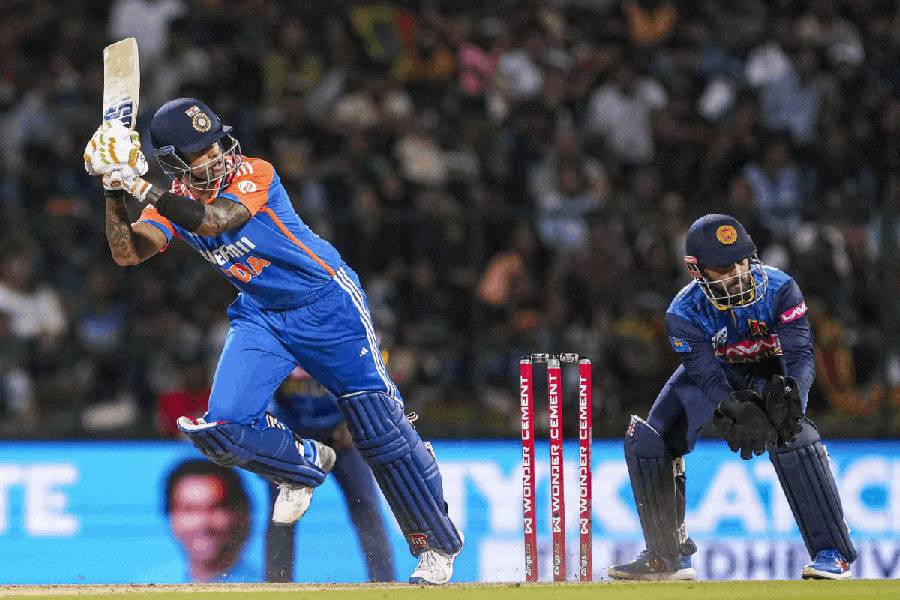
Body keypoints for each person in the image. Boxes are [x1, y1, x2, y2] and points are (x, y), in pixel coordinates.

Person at [82, 99, 464, 585]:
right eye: (200, 149)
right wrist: (113, 190)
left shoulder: (254, 172)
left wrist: (139, 184)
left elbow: (215, 220)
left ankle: (436, 547)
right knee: (220, 428)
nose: (216, 153)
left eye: (215, 141)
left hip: (326, 303)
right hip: (261, 315)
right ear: (175, 161)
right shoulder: (171, 199)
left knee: (378, 429)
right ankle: (301, 466)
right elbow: (127, 252)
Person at [609, 213, 856, 581]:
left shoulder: (781, 288)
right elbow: (707, 377)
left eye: (741, 262)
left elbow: (802, 356)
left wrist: (793, 394)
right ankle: (666, 557)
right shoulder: (682, 314)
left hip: (774, 369)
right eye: (724, 268)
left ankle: (832, 554)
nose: (738, 274)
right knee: (648, 440)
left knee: (793, 431)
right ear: (697, 271)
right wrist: (731, 405)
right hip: (721, 373)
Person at [264, 365, 395, 582]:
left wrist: (356, 422)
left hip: (341, 433)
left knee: (366, 506)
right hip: (291, 436)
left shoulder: (345, 341)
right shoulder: (276, 344)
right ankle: (276, 585)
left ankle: (384, 581)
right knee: (282, 514)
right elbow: (260, 384)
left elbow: (367, 376)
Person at [162, 459, 261, 583]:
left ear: (243, 515)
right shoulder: (151, 586)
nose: (203, 524)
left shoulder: (269, 586)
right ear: (171, 517)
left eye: (216, 508)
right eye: (189, 509)